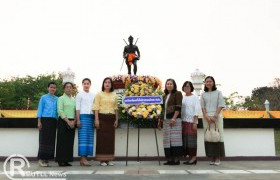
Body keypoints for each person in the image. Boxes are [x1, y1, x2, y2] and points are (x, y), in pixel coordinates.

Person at [92, 77, 118, 166]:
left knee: (110, 140)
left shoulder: (114, 95)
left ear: (111, 85)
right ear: (103, 84)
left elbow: (116, 108)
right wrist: (96, 120)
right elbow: (96, 108)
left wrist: (116, 119)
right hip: (102, 118)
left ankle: (109, 159)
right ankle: (102, 160)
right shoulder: (99, 94)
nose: (107, 84)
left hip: (111, 119)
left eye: (109, 82)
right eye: (105, 82)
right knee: (101, 140)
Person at [201, 76, 225, 166]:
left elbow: (221, 104)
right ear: (205, 83)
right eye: (207, 81)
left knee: (217, 136)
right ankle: (212, 157)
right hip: (206, 118)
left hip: (217, 117)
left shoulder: (219, 93)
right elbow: (202, 106)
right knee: (209, 136)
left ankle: (218, 158)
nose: (208, 83)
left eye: (210, 81)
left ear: (213, 82)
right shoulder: (203, 94)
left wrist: (215, 116)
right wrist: (206, 116)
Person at [158, 79, 183, 165]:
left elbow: (178, 107)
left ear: (174, 85)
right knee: (167, 141)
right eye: (167, 84)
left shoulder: (178, 94)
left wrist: (174, 118)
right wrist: (160, 120)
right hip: (166, 121)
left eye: (171, 84)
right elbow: (162, 110)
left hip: (174, 120)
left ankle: (176, 160)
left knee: (175, 140)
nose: (169, 85)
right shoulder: (164, 96)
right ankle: (170, 159)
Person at [37, 82, 58, 167]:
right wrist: (39, 121)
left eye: (54, 88)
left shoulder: (57, 99)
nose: (52, 89)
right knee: (43, 139)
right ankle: (41, 159)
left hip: (53, 121)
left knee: (51, 140)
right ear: (48, 88)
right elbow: (40, 109)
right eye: (51, 87)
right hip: (45, 120)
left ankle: (47, 159)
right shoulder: (43, 98)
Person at [55, 82, 76, 166]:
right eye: (67, 87)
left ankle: (67, 160)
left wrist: (74, 121)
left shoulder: (74, 99)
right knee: (62, 141)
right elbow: (60, 110)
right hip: (63, 121)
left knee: (69, 142)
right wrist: (68, 121)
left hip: (72, 121)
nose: (68, 88)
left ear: (72, 89)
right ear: (63, 89)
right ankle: (61, 160)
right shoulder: (61, 98)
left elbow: (76, 110)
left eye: (70, 87)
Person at [76, 78, 95, 166]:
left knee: (89, 139)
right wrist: (78, 119)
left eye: (88, 83)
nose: (86, 85)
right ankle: (83, 158)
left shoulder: (93, 95)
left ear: (90, 85)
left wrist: (95, 119)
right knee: (82, 139)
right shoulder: (79, 95)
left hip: (91, 118)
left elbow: (95, 108)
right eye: (85, 83)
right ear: (82, 84)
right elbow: (77, 108)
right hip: (82, 118)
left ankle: (84, 158)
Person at [181, 81, 201, 165]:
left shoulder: (195, 97)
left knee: (192, 140)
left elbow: (197, 109)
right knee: (185, 140)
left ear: (191, 88)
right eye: (185, 86)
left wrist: (195, 122)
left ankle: (194, 158)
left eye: (188, 86)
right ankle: (189, 158)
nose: (186, 88)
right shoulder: (182, 97)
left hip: (191, 121)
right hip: (183, 122)